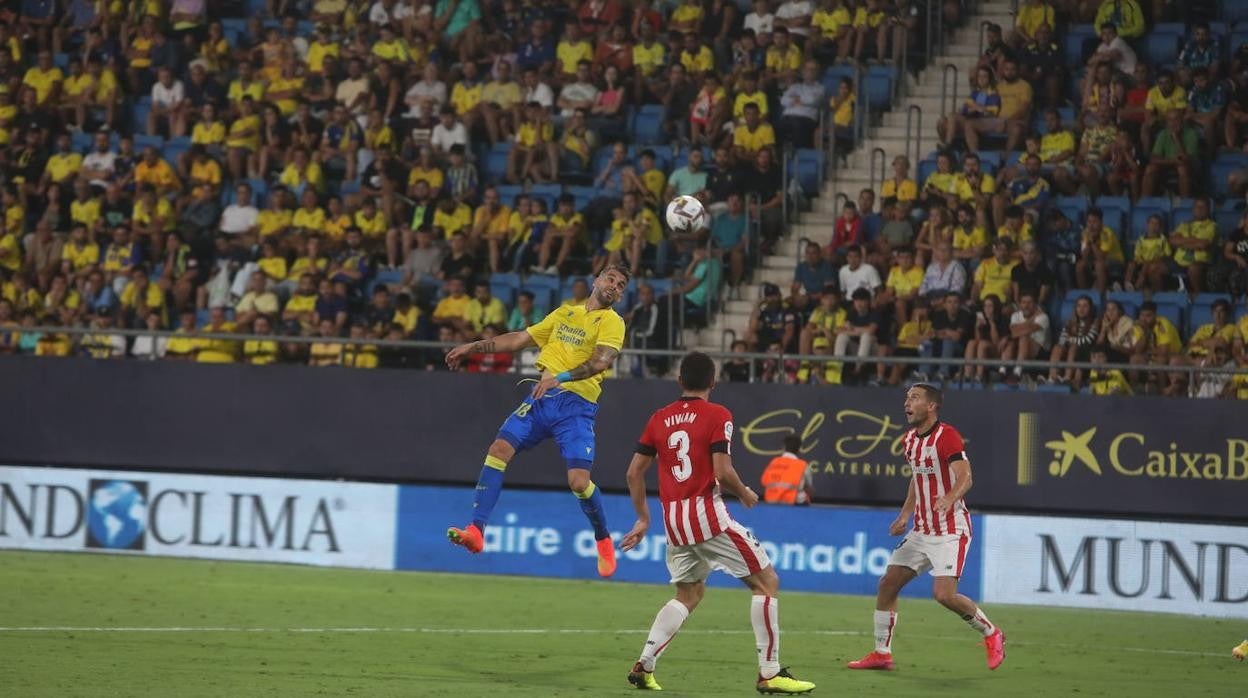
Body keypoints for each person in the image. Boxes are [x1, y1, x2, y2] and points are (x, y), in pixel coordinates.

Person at [621, 351, 817, 695]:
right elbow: (722, 472)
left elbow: (633, 472)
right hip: (706, 516)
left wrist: (642, 518)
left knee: (689, 593)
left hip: (674, 522)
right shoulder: (718, 415)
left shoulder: (659, 418)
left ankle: (645, 665)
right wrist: (744, 493)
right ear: (713, 382)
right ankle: (770, 674)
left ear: (679, 381)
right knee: (767, 582)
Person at [444, 266, 630, 579]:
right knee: (499, 448)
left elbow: (601, 362)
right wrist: (472, 347)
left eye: (621, 285)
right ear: (596, 280)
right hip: (541, 400)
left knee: (579, 483)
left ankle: (603, 539)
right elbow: (519, 338)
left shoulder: (612, 321)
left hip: (576, 407)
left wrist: (561, 377)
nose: (614, 286)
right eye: (610, 279)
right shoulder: (564, 314)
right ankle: (476, 530)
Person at [847, 383, 1005, 672]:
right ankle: (882, 653)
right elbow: (916, 479)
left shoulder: (947, 436)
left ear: (931, 406)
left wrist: (949, 497)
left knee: (944, 595)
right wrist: (905, 515)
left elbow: (965, 477)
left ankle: (992, 633)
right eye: (907, 396)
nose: (907, 402)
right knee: (888, 584)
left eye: (915, 397)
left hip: (950, 529)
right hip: (921, 530)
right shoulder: (909, 440)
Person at [760, 434, 814, 505]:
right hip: (794, 503)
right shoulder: (802, 465)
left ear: (784, 447)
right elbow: (809, 488)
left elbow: (763, 481)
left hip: (771, 502)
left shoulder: (774, 462)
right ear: (799, 449)